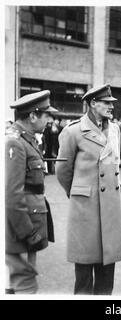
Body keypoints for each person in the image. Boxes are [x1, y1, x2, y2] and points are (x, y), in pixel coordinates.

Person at [56, 84, 121, 295]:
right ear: (93, 103)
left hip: (110, 207)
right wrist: (78, 192)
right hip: (85, 208)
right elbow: (62, 170)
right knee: (84, 277)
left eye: (112, 103)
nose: (111, 107)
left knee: (106, 278)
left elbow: (115, 164)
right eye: (107, 103)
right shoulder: (73, 131)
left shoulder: (114, 128)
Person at [5, 90, 57, 294]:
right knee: (25, 286)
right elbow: (11, 195)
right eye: (46, 115)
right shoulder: (15, 143)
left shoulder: (28, 140)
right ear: (33, 116)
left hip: (27, 227)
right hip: (21, 231)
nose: (49, 119)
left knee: (23, 282)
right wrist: (28, 232)